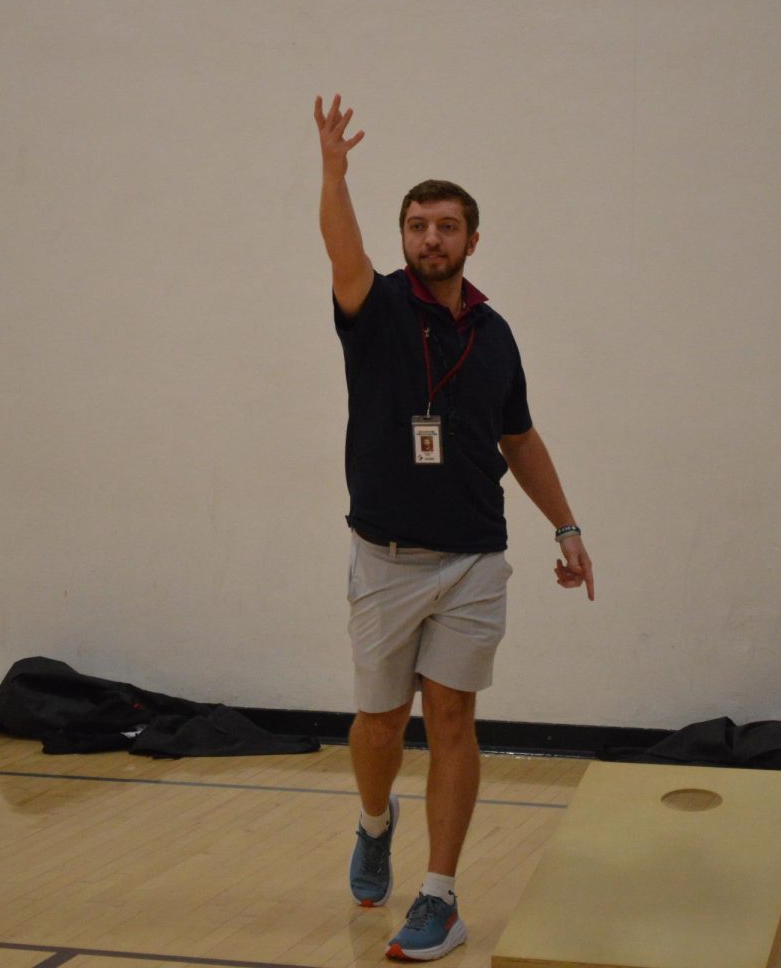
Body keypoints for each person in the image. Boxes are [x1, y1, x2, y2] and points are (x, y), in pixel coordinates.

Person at [314, 94, 594, 962]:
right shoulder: (376, 309)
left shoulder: (498, 335)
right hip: (385, 558)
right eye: (416, 225)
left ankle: (438, 894)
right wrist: (334, 173)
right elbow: (340, 248)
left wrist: (566, 526)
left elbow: (518, 436)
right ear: (402, 238)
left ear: (473, 240)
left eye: (446, 226)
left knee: (455, 718)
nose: (429, 238)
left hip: (476, 557)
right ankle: (373, 820)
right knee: (379, 724)